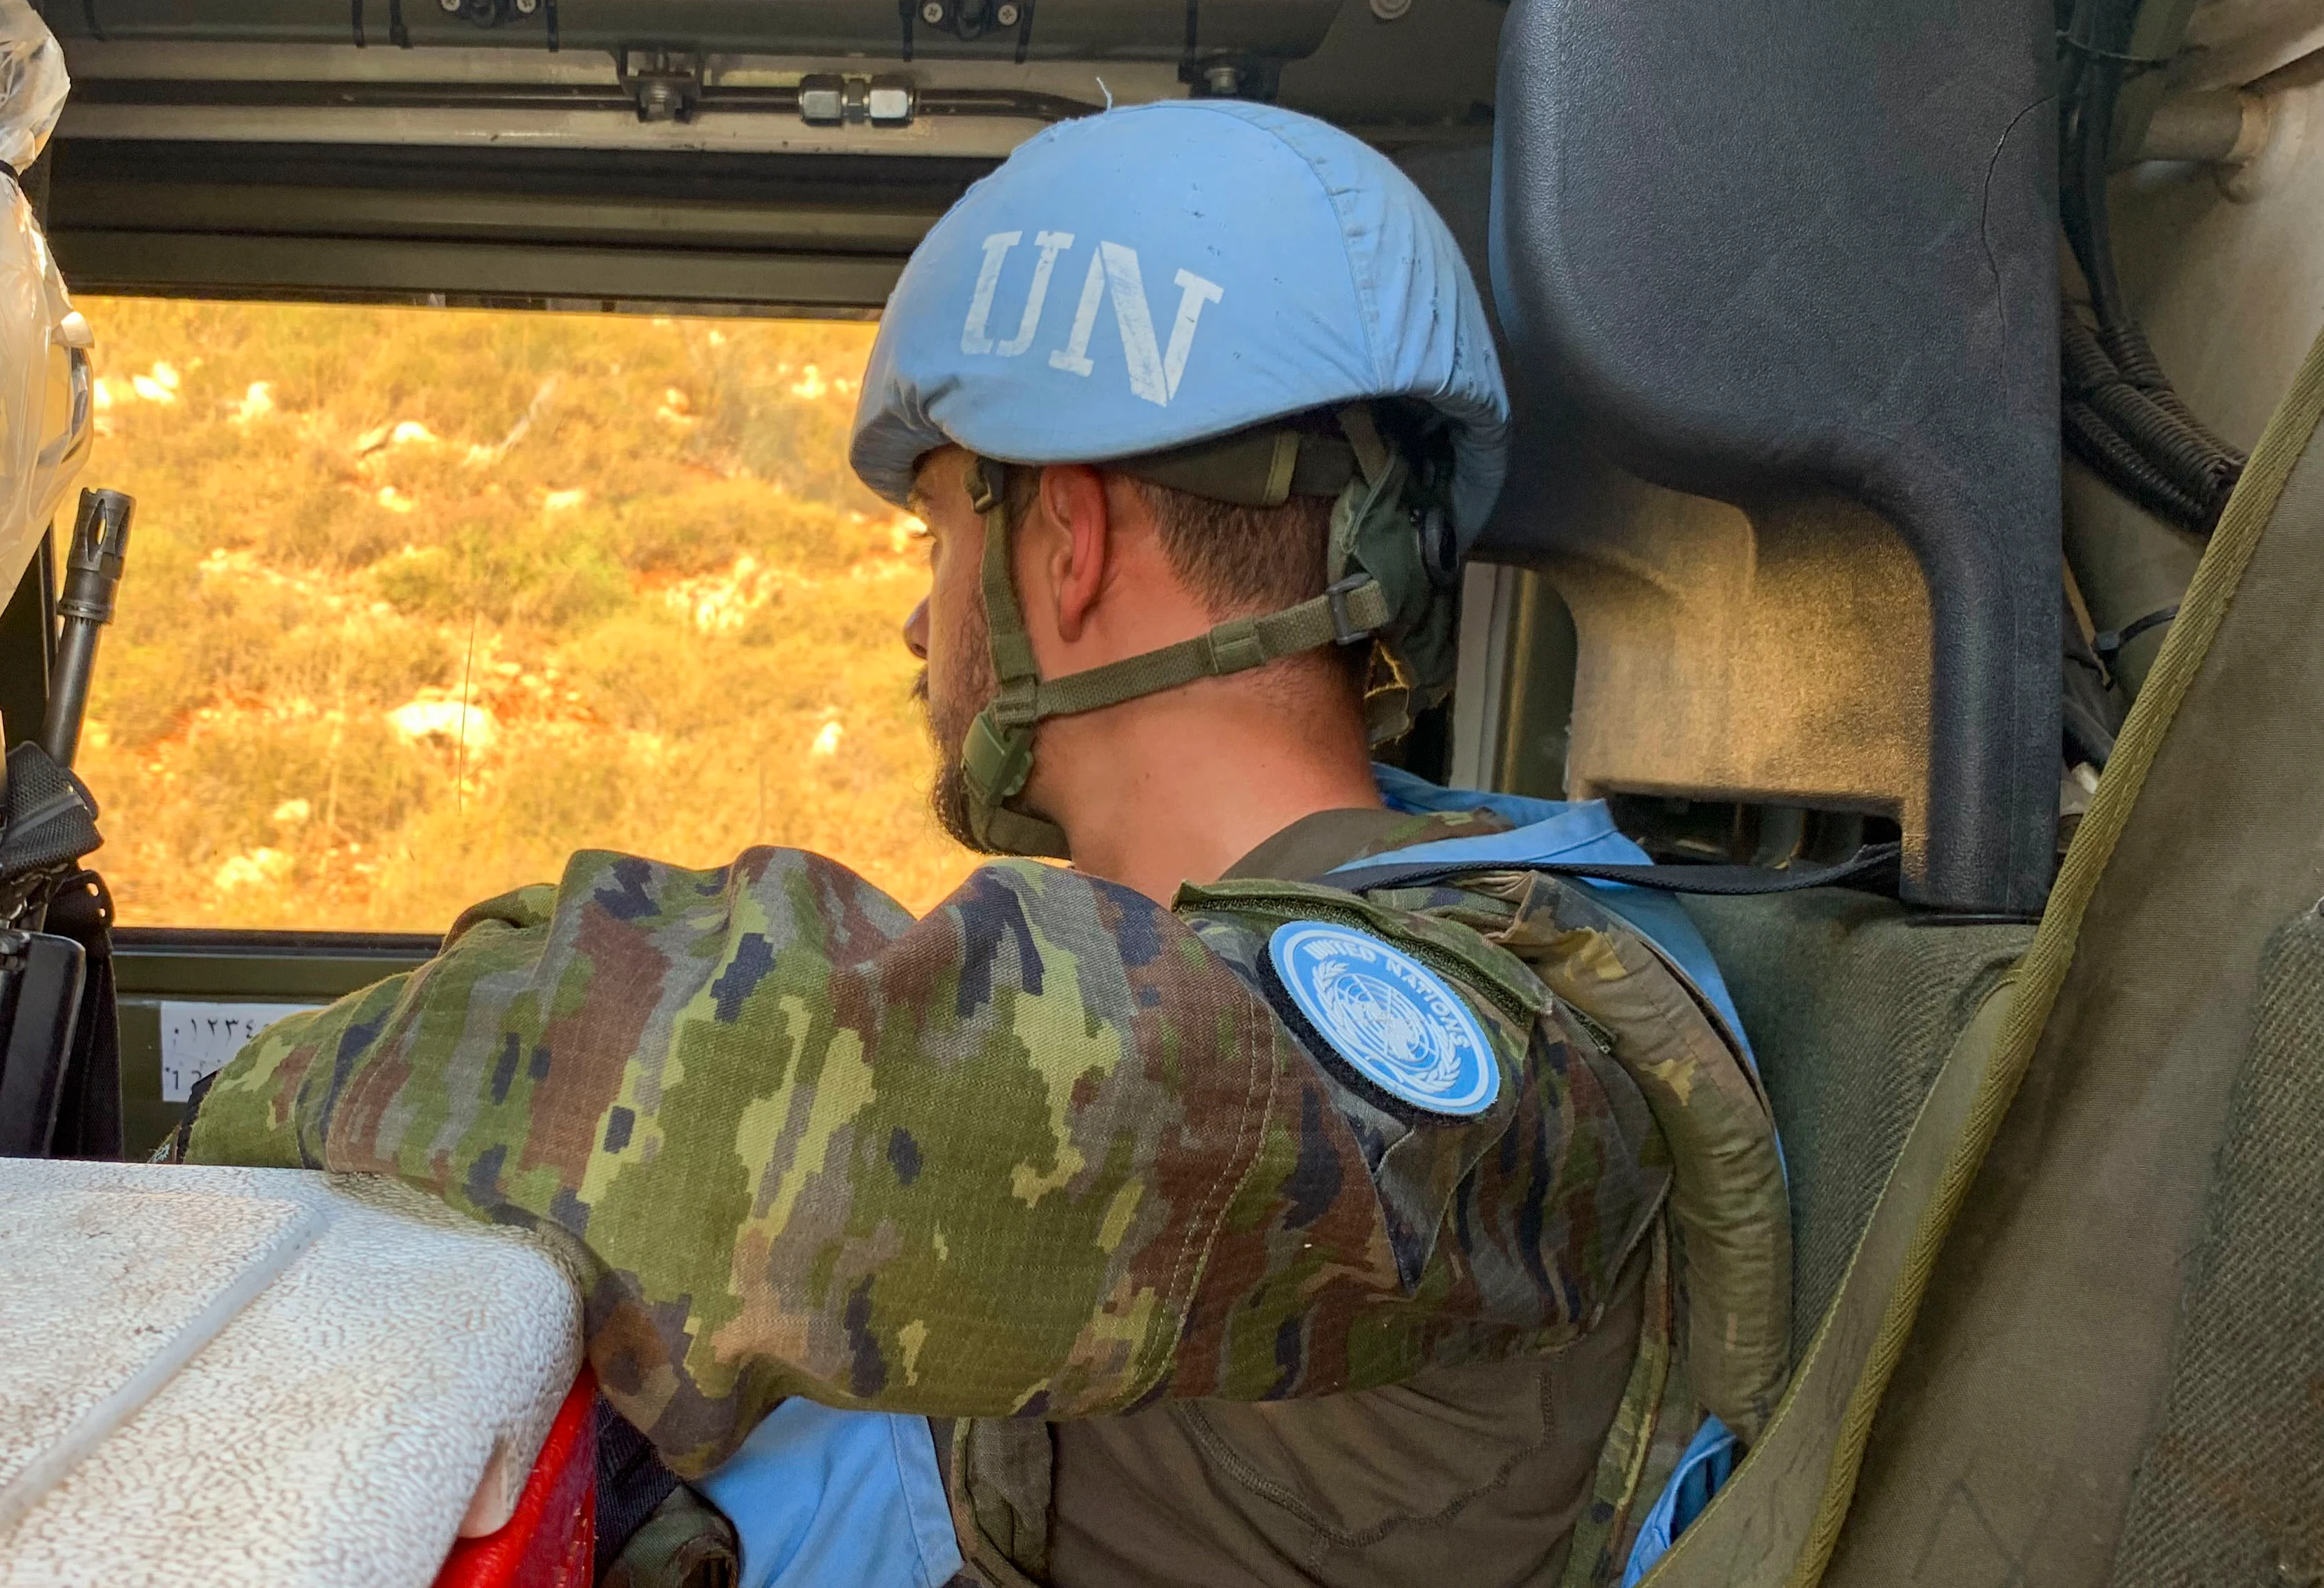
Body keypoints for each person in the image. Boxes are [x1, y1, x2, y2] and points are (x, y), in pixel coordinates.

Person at [175, 99, 1789, 1588]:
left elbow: (725, 1082)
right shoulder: (1300, 991)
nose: (915, 605)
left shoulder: (1466, 1073)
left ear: (1067, 543)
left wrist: (206, 1138)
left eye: (947, 523)